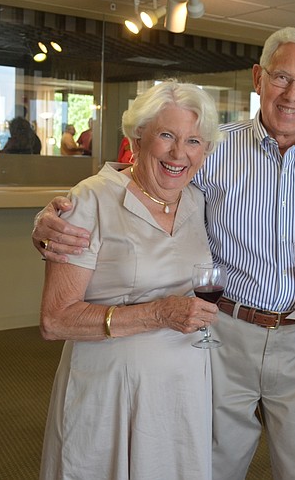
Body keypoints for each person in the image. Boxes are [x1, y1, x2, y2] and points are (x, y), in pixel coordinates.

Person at [31, 27, 295, 480]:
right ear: (258, 78)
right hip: (223, 335)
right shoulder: (212, 147)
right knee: (208, 466)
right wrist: (49, 221)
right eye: (282, 78)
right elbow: (137, 183)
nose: (293, 94)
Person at [38, 81, 222, 479]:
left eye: (193, 140)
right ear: (137, 139)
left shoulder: (196, 200)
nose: (179, 153)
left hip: (182, 387)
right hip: (110, 391)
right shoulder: (90, 200)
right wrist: (157, 314)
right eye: (167, 136)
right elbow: (55, 320)